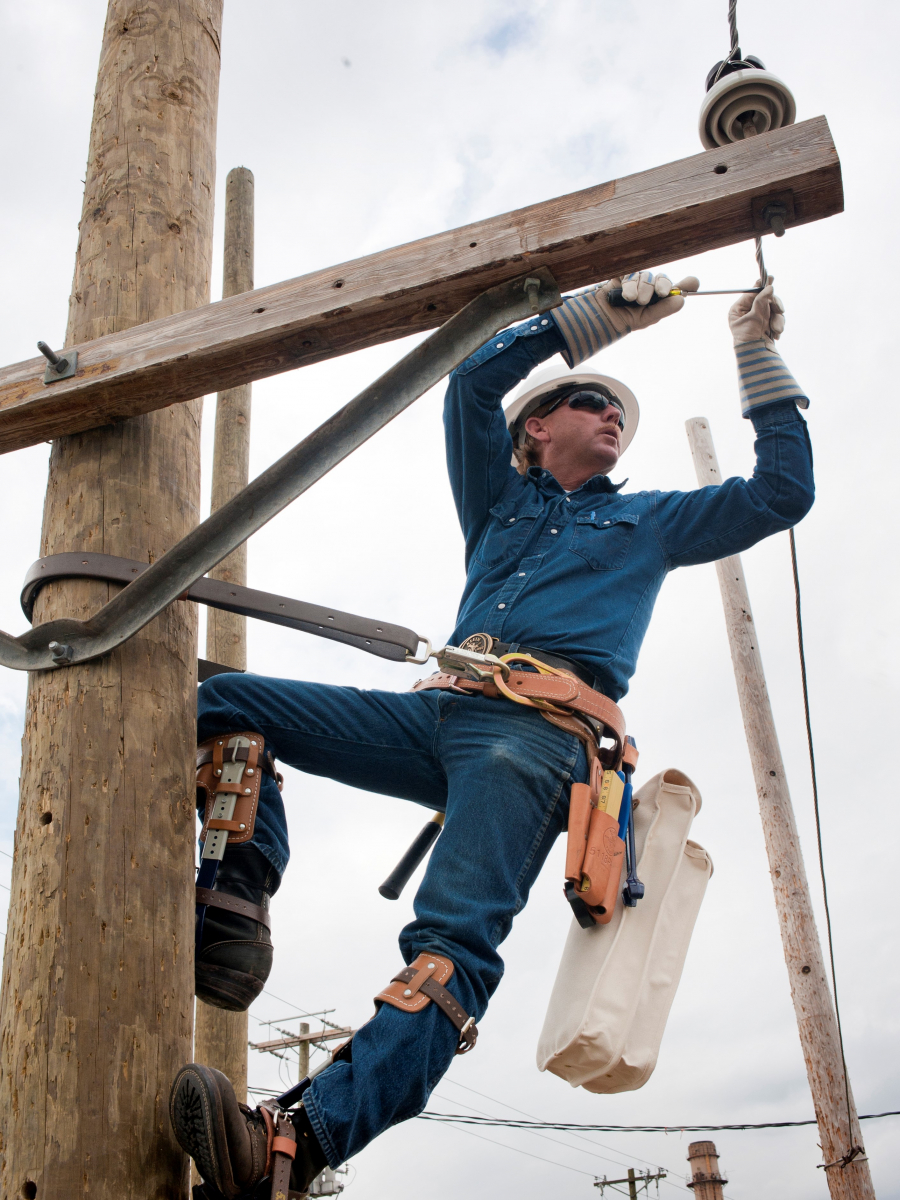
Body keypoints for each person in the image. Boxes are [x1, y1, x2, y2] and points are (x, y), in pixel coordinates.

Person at [170, 269, 814, 1198]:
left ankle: (292, 1145)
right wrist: (598, 322)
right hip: (442, 714)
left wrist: (757, 356)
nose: (613, 417)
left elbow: (781, 493)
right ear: (536, 428)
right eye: (590, 403)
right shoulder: (500, 508)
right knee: (226, 702)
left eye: (618, 413)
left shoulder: (649, 520)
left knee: (450, 946)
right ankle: (235, 896)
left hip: (537, 743)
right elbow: (469, 381)